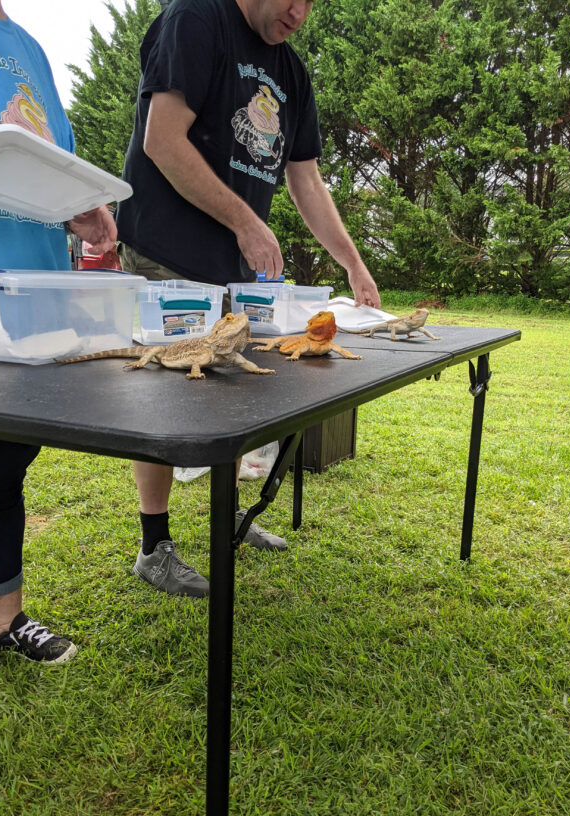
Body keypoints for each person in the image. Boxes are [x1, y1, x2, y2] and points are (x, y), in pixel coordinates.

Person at [116, 0, 381, 598]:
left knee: (233, 393)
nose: (299, 11)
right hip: (164, 249)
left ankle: (225, 514)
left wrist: (353, 262)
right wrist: (246, 222)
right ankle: (153, 545)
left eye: (313, 1)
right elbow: (162, 140)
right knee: (164, 393)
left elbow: (305, 177)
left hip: (231, 267)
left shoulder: (291, 72)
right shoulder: (195, 19)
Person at [0, 0, 117, 748]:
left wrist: (81, 211)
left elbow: (49, 163)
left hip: (28, 303)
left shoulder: (29, 48)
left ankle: (0, 620)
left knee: (1, 467)